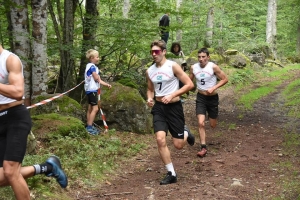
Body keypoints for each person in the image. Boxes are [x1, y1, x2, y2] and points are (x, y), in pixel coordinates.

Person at [0, 44, 68, 200]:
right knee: (5, 175)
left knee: (10, 171)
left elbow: (18, 92)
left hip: (15, 117)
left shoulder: (10, 60)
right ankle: (48, 167)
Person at [146, 40, 195, 185]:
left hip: (174, 108)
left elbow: (189, 84)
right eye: (152, 52)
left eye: (157, 52)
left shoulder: (172, 66)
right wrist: (149, 98)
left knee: (178, 145)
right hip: (159, 108)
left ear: (164, 52)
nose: (154, 55)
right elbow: (150, 89)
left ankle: (186, 132)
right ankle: (171, 173)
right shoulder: (149, 71)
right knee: (160, 139)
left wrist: (172, 95)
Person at [189, 47, 228, 157]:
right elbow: (189, 80)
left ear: (208, 57)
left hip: (212, 98)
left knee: (212, 124)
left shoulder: (213, 67)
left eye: (203, 57)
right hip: (200, 97)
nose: (201, 59)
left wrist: (214, 88)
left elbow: (225, 79)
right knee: (201, 123)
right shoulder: (194, 67)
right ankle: (203, 147)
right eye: (199, 57)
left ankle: (213, 117)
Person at [84, 49, 111, 135]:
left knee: (90, 108)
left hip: (88, 90)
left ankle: (89, 125)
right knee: (95, 109)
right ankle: (89, 127)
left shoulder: (89, 66)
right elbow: (97, 78)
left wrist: (105, 84)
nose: (98, 58)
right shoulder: (92, 66)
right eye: (97, 57)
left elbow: (97, 79)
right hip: (92, 90)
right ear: (92, 58)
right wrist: (105, 83)